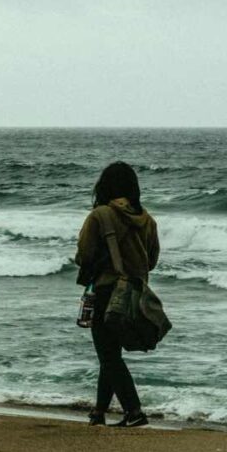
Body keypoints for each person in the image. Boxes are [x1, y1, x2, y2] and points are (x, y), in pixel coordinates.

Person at [75, 161, 160, 427]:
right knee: (111, 354)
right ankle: (99, 412)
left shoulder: (99, 216)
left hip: (106, 291)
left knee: (108, 355)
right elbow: (152, 261)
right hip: (134, 294)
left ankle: (134, 412)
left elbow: (84, 255)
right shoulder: (148, 219)